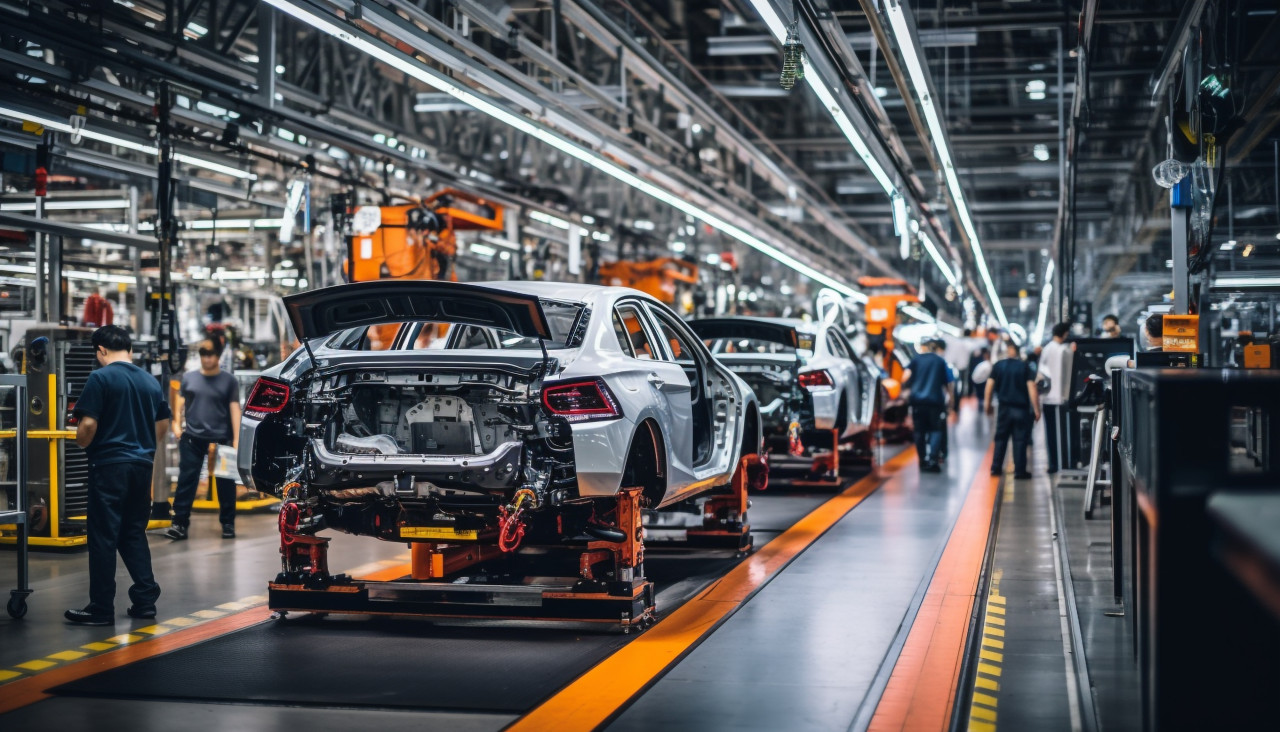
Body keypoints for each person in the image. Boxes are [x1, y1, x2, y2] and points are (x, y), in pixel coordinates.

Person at [67, 326, 171, 625]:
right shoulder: (150, 382)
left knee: (103, 537)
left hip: (110, 466)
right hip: (141, 466)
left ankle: (100, 608)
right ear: (130, 348)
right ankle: (145, 600)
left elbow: (87, 425)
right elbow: (162, 424)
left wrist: (82, 442)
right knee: (132, 533)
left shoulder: (101, 377)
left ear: (100, 350)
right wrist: (143, 448)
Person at [167, 338, 242, 540]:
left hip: (222, 438)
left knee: (225, 482)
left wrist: (236, 438)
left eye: (210, 354)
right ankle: (179, 523)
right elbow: (180, 399)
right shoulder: (190, 378)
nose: (207, 359)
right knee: (186, 480)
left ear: (217, 356)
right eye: (203, 355)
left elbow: (235, 408)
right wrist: (176, 422)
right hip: (192, 437)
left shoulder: (229, 381)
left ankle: (228, 524)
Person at [985, 341, 1039, 479]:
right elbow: (1032, 387)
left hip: (1004, 408)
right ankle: (1019, 471)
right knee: (1020, 440)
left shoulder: (998, 366)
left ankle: (995, 468)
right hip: (1021, 409)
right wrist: (1037, 409)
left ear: (1008, 350)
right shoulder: (1025, 367)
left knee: (1000, 438)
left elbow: (989, 386)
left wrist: (987, 404)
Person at [903, 339, 952, 473]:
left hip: (918, 402)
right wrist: (951, 401)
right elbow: (948, 383)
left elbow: (904, 377)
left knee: (919, 431)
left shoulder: (916, 360)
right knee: (935, 430)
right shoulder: (940, 362)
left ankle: (922, 460)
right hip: (935, 402)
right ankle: (933, 459)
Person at [1038, 323, 1075, 474]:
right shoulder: (1065, 350)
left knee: (1051, 433)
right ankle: (1065, 463)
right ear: (1065, 334)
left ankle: (1053, 464)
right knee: (1064, 433)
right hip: (1063, 399)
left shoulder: (1046, 349)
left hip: (1047, 399)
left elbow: (1041, 372)